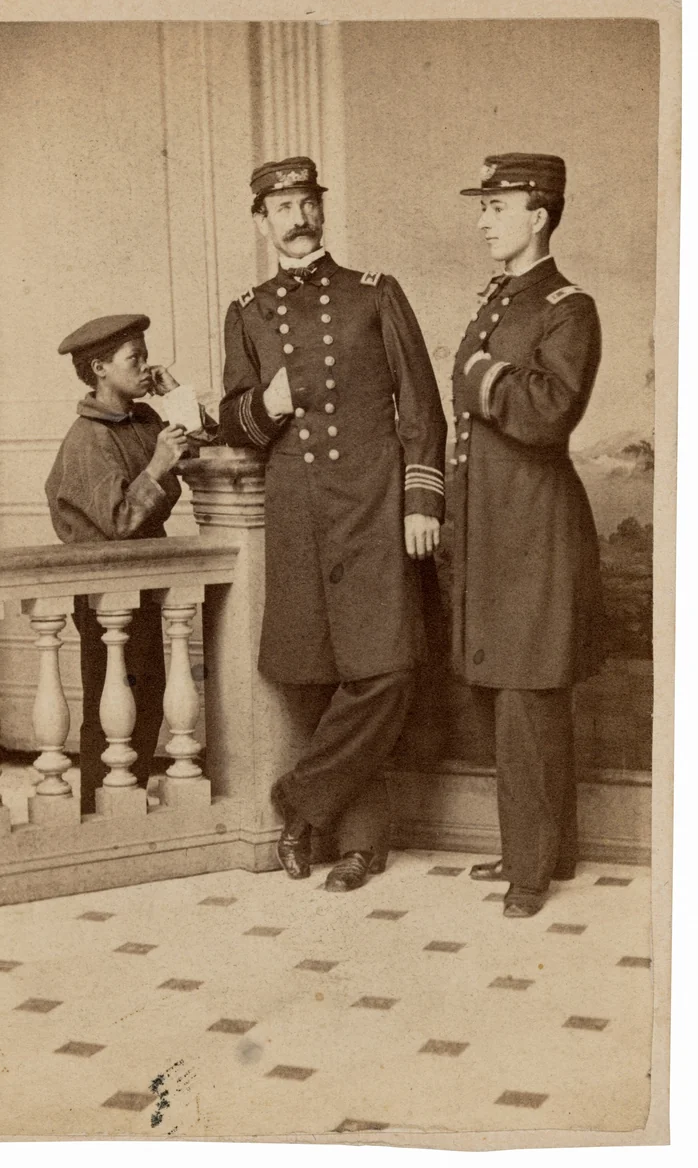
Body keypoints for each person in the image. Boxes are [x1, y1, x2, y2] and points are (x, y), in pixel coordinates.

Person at [219, 156, 448, 892]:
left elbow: (421, 405)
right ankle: (356, 844)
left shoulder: (373, 294)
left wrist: (421, 499)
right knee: (316, 676)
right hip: (300, 514)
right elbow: (235, 418)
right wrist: (269, 406)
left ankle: (299, 805)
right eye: (282, 207)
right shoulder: (248, 310)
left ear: (322, 209)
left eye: (307, 202)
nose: (298, 216)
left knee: (385, 668)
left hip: (374, 508)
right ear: (262, 222)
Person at [451, 153, 605, 917]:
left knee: (529, 692)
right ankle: (538, 849)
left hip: (537, 529)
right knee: (511, 692)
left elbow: (547, 413)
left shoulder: (567, 306)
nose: (483, 219)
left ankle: (532, 871)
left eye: (496, 205)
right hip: (497, 526)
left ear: (538, 215)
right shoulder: (503, 299)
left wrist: (482, 378)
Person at [45, 313, 213, 814]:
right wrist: (159, 464)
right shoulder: (87, 438)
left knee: (148, 694)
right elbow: (119, 521)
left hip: (141, 585)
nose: (146, 366)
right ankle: (99, 809)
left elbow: (209, 444)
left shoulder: (143, 420)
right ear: (99, 368)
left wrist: (176, 396)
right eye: (133, 359)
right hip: (104, 594)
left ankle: (128, 796)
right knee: (110, 705)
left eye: (146, 355)